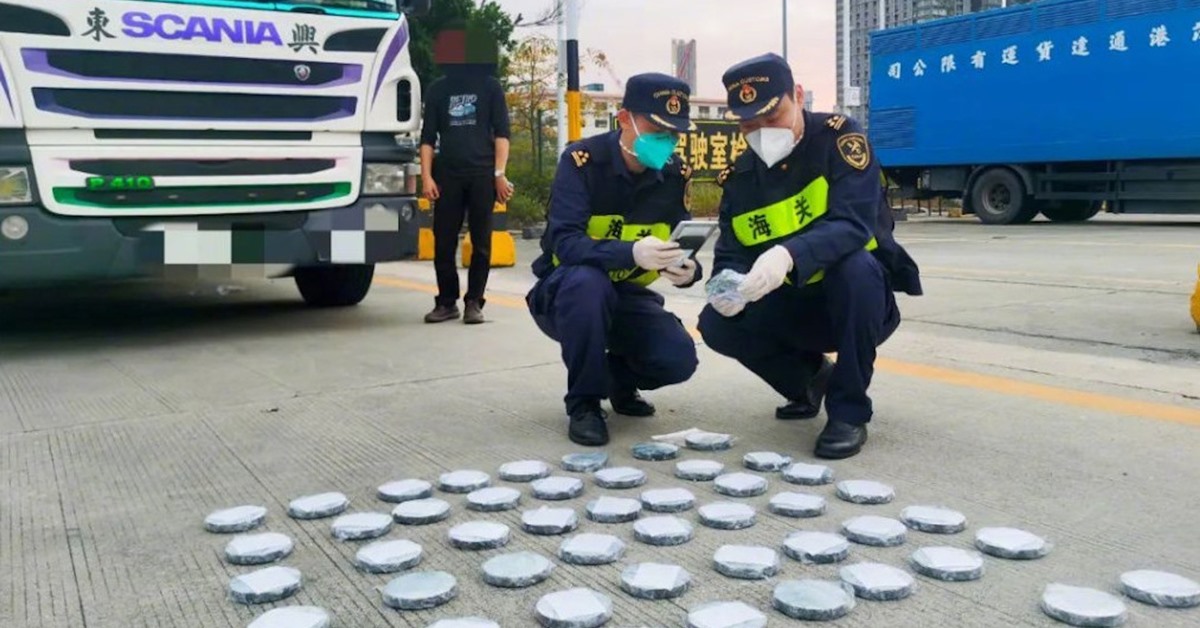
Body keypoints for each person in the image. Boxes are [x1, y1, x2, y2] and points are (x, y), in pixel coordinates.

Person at [697, 53, 923, 460]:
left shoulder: (839, 140)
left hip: (856, 304)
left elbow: (854, 223)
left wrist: (787, 254)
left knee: (855, 268)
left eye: (773, 116)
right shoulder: (740, 178)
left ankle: (849, 413)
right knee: (716, 324)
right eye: (749, 125)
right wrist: (726, 288)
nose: (763, 133)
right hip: (791, 307)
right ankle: (811, 380)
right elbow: (730, 253)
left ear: (798, 96)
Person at [526, 73, 703, 447]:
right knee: (588, 284)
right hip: (566, 294)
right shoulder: (581, 163)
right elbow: (565, 242)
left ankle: (617, 380)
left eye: (674, 133)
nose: (667, 140)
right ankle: (585, 404)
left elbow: (679, 240)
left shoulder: (675, 174)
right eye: (657, 129)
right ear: (624, 119)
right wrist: (630, 252)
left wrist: (687, 270)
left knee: (677, 358)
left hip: (627, 296)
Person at [419, 24, 513, 325]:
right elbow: (427, 138)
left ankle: (474, 302)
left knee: (481, 243)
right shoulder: (437, 89)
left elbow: (502, 133)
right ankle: (447, 302)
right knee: (444, 242)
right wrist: (426, 177)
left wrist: (499, 173)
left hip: (482, 175)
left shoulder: (490, 87)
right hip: (447, 176)